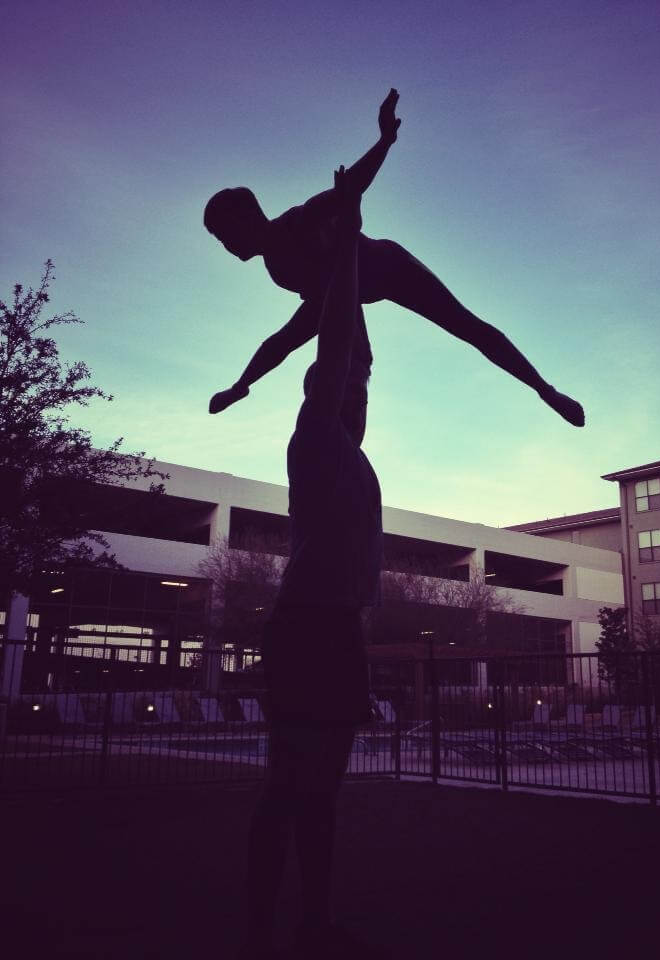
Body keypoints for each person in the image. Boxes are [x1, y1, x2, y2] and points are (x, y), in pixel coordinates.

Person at [204, 89, 585, 428]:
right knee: (337, 353)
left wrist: (385, 141)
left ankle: (545, 389)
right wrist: (241, 385)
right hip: (348, 291)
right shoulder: (279, 271)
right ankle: (329, 415)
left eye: (224, 236)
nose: (226, 247)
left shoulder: (294, 224)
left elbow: (350, 186)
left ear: (247, 220)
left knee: (466, 325)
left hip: (387, 266)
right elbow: (290, 336)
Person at [244, 168, 383, 960]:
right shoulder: (317, 434)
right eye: (351, 383)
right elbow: (336, 341)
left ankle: (312, 925)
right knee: (286, 790)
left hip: (336, 631)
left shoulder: (353, 458)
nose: (362, 388)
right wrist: (349, 254)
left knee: (318, 795)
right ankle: (260, 934)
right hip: (309, 630)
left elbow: (350, 352)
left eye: (365, 384)